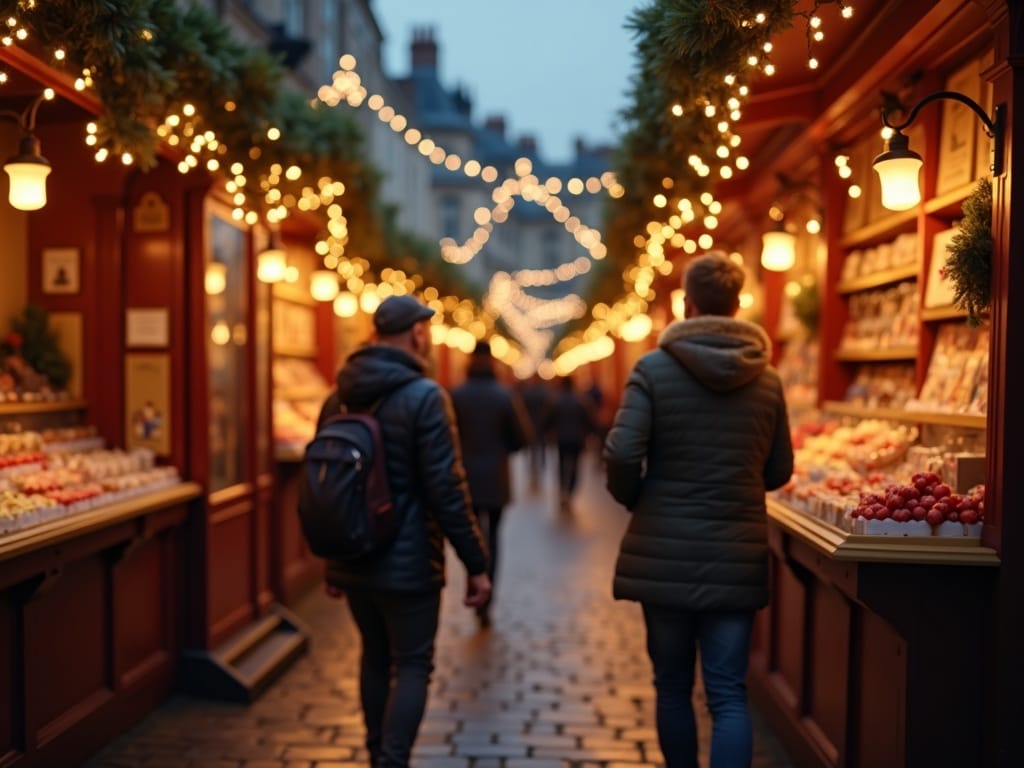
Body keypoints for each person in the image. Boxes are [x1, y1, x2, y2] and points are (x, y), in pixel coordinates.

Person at [602, 251, 794, 768]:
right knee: (728, 693)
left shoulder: (653, 369)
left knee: (671, 686)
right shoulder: (768, 380)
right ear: (737, 305)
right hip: (735, 551)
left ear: (686, 304)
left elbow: (622, 452)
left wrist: (637, 499)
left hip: (663, 552)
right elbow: (778, 471)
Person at [322, 294, 492, 768]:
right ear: (418, 333)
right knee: (413, 664)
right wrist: (476, 565)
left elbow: (328, 486)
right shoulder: (425, 397)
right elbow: (447, 488)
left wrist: (332, 559)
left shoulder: (339, 395)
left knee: (374, 658)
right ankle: (392, 761)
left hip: (355, 555)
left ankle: (378, 752)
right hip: (410, 560)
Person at [450, 341, 533, 627]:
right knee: (493, 539)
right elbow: (523, 438)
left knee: (470, 538)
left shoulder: (456, 395)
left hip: (465, 479)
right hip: (496, 479)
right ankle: (488, 596)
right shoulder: (504, 395)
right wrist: (499, 451)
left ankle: (474, 588)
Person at [546, 375, 596, 511]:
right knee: (575, 465)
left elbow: (549, 420)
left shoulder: (556, 400)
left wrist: (548, 433)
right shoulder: (581, 401)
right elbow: (589, 420)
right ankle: (570, 491)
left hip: (561, 438)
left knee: (562, 464)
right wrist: (591, 434)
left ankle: (563, 489)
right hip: (577, 438)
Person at [519, 375, 552, 491]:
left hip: (530, 423)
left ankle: (532, 466)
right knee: (541, 446)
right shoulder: (544, 393)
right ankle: (541, 465)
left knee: (532, 447)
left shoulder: (527, 393)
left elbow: (523, 409)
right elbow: (548, 409)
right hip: (541, 424)